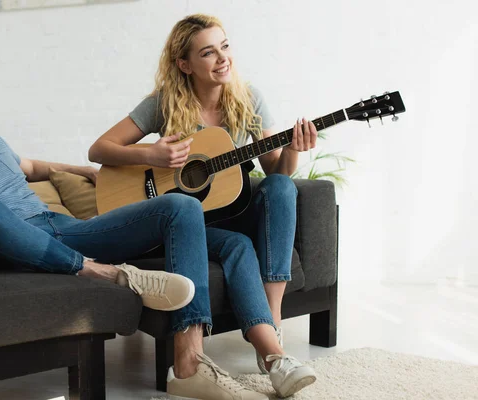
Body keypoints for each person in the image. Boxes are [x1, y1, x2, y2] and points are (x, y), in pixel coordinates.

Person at [89, 14, 319, 399]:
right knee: (238, 246)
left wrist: (293, 151)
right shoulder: (163, 102)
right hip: (180, 222)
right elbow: (99, 149)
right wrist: (153, 154)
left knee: (281, 186)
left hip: (229, 212)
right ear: (185, 64)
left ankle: (272, 324)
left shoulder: (248, 98)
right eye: (208, 53)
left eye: (224, 47)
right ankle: (274, 358)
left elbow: (275, 169)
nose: (222, 59)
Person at [0, 64, 206, 319]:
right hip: (8, 249)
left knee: (180, 207)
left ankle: (190, 360)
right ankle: (100, 272)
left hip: (63, 230)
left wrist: (80, 169)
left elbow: (29, 167)